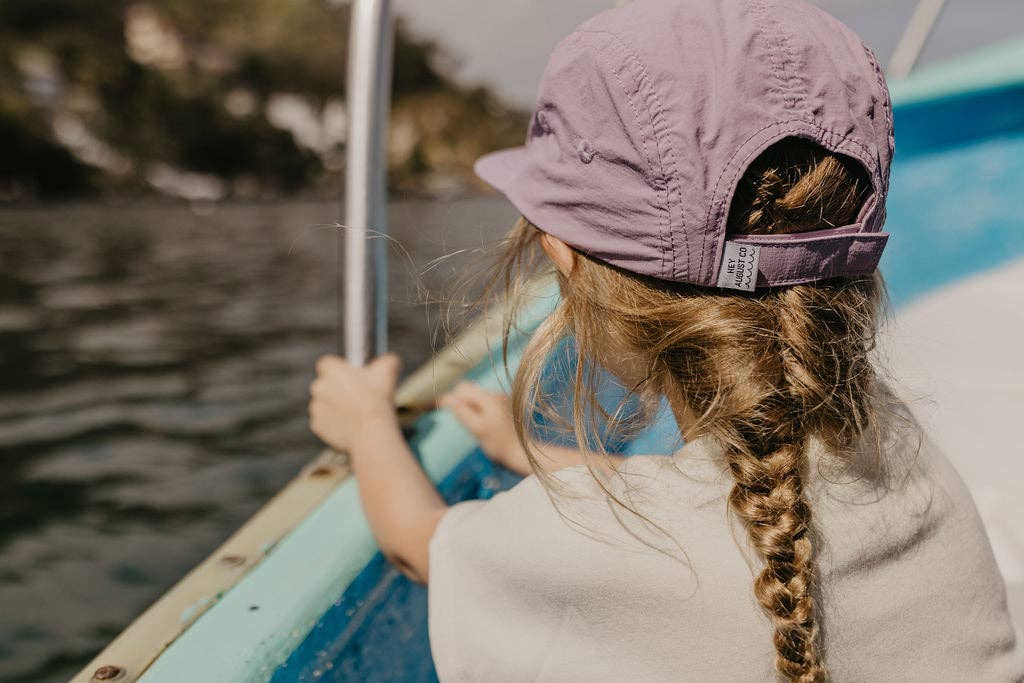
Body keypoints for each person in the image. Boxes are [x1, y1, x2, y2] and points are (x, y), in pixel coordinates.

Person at [308, 0, 1024, 680]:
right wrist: (534, 454)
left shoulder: (577, 547)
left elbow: (418, 538)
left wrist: (367, 421)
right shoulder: (901, 448)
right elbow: (732, 497)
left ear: (564, 259)